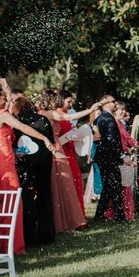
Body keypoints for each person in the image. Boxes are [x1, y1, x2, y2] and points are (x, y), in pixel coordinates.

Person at [0, 87, 55, 254]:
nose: (7, 102)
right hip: (4, 164)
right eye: (4, 99)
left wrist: (15, 152)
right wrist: (44, 137)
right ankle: (14, 246)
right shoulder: (3, 116)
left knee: (4, 202)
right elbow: (23, 127)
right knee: (14, 202)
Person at [37, 90, 98, 230]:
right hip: (57, 149)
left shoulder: (39, 112)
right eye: (54, 99)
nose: (56, 102)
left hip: (47, 149)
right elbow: (69, 117)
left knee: (55, 185)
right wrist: (90, 109)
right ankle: (67, 222)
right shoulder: (51, 113)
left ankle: (59, 221)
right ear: (50, 100)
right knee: (64, 185)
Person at [11, 96, 56, 246]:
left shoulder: (16, 122)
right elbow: (51, 139)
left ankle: (29, 235)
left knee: (28, 197)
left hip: (27, 162)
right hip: (44, 159)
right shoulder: (43, 119)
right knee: (45, 194)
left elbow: (13, 142)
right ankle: (47, 234)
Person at [94, 95, 129, 222]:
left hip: (104, 156)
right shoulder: (108, 119)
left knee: (108, 187)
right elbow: (111, 140)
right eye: (113, 101)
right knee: (115, 186)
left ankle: (99, 215)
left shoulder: (100, 118)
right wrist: (122, 155)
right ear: (106, 104)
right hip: (109, 157)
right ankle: (119, 217)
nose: (115, 103)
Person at [55, 90, 87, 218]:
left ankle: (78, 216)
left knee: (76, 183)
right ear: (61, 101)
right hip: (64, 154)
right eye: (68, 101)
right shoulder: (59, 116)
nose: (71, 104)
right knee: (71, 185)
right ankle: (73, 218)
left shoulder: (64, 115)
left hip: (71, 153)